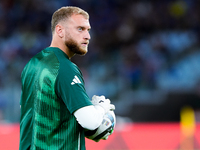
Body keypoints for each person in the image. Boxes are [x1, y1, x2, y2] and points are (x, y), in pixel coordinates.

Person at [19, 6, 115, 150]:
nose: (87, 36)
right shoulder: (64, 67)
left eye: (88, 30)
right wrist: (101, 108)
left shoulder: (31, 65)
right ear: (60, 30)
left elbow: (31, 113)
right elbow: (90, 122)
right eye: (80, 29)